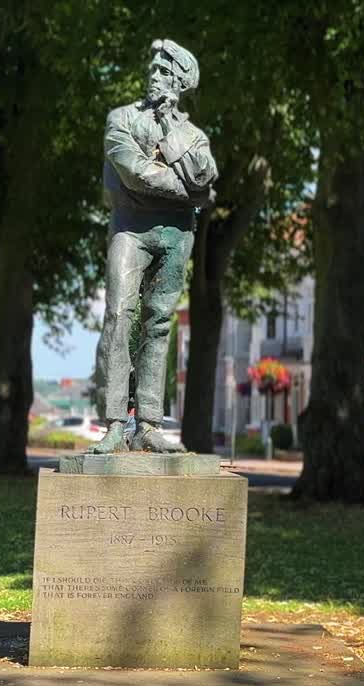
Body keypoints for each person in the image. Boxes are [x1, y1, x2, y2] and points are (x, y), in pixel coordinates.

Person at [89, 39, 218, 454]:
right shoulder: (121, 119)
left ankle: (148, 424)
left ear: (181, 83)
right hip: (130, 227)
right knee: (119, 315)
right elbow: (135, 174)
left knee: (160, 322)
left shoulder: (192, 135)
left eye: (165, 72)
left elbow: (204, 176)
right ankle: (113, 423)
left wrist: (171, 130)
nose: (155, 75)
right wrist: (190, 192)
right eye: (155, 69)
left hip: (178, 233)